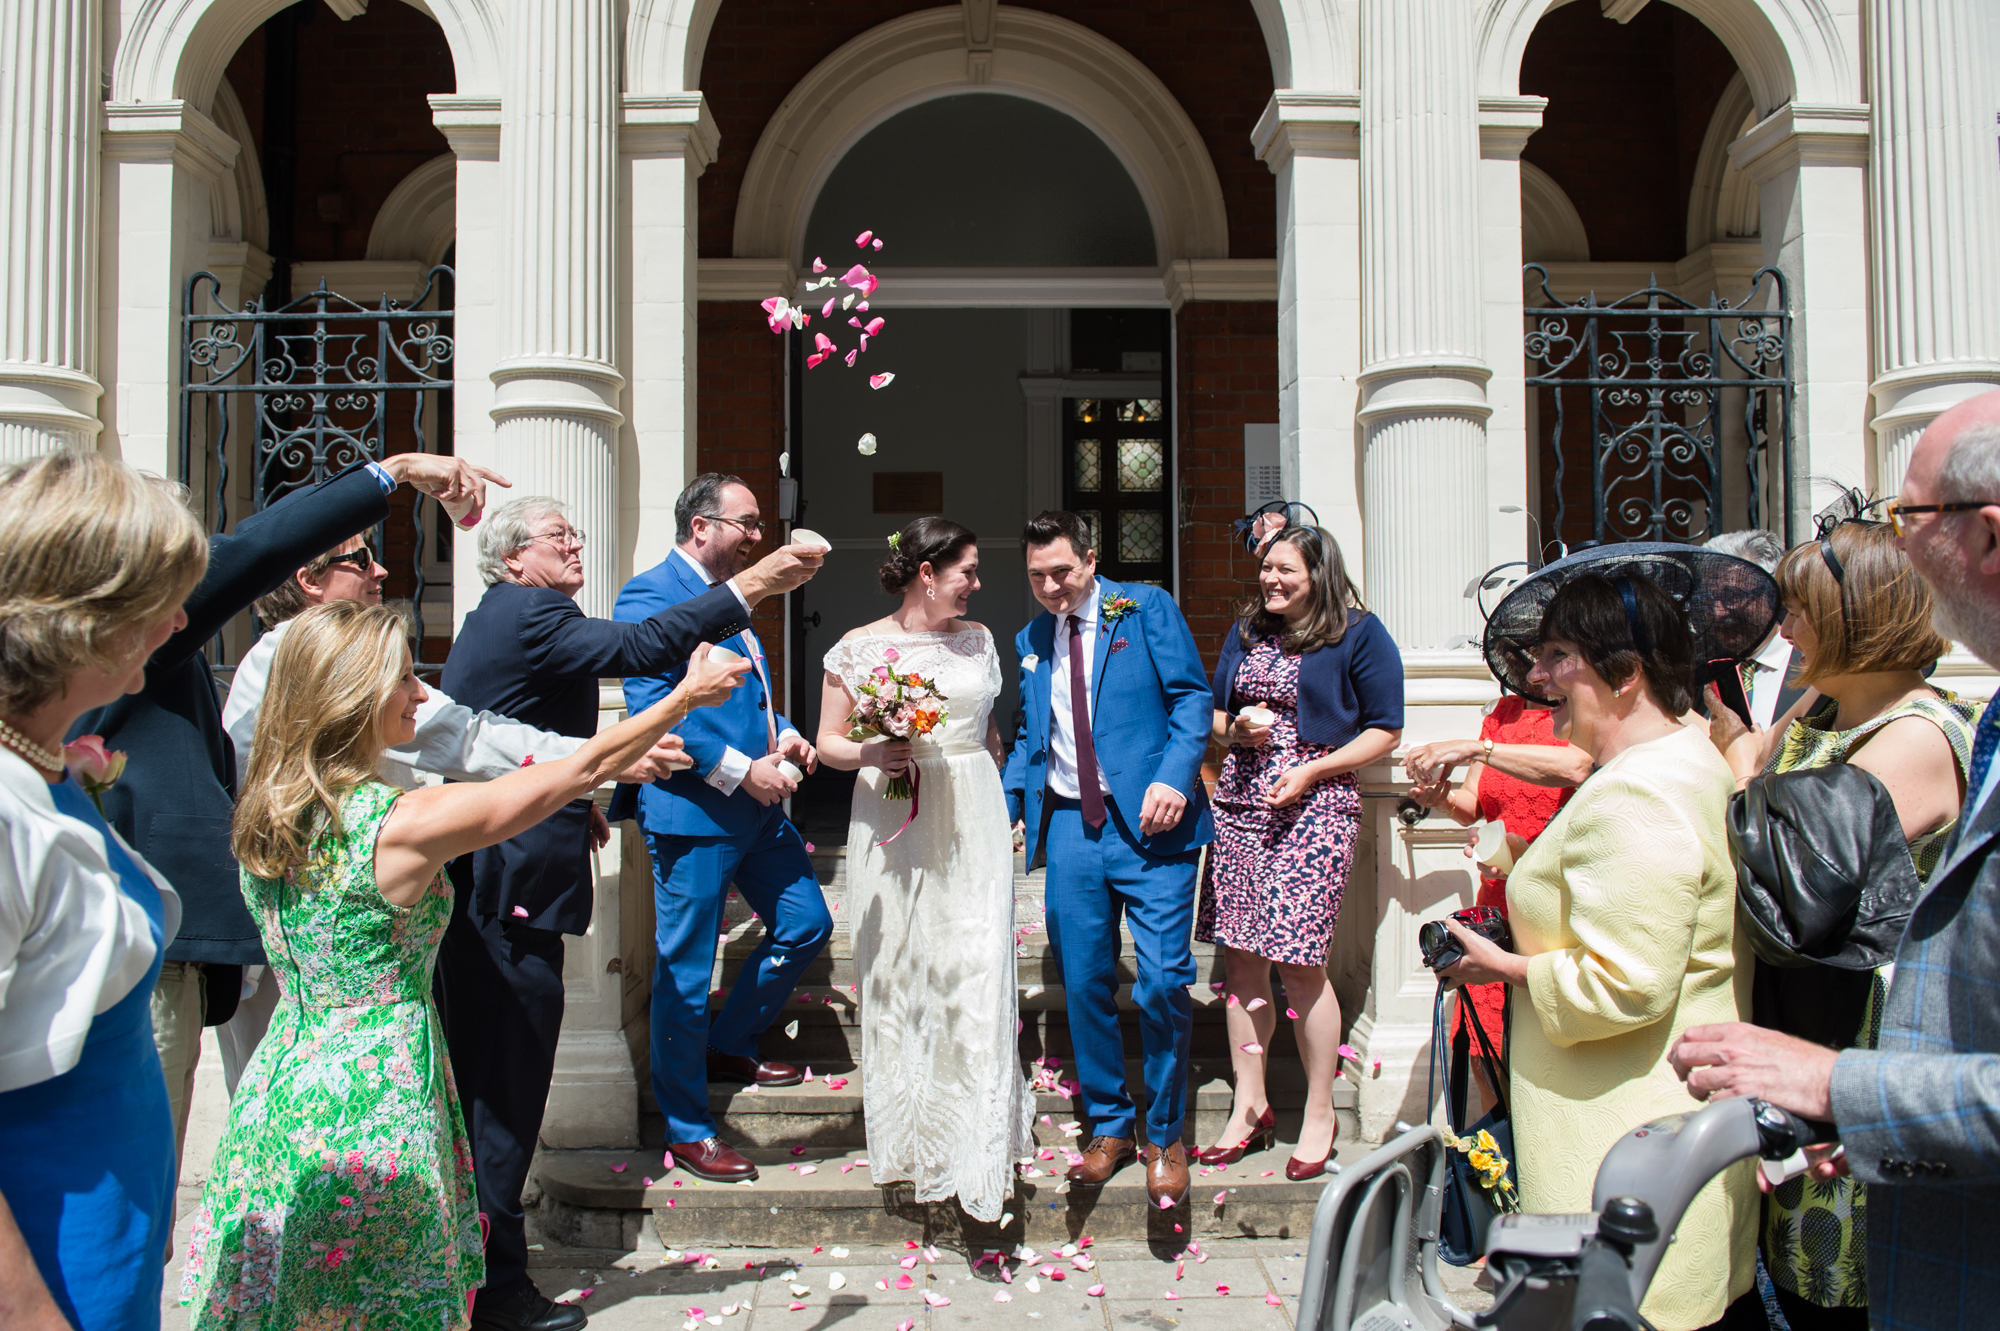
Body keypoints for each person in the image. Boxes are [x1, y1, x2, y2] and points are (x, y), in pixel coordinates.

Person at [180, 601, 745, 1328]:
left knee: (290, 1292)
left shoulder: (270, 809)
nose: (422, 694)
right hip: (374, 1092)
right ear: (350, 698)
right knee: (383, 1295)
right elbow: (581, 765)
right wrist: (684, 698)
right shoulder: (399, 825)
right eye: (404, 680)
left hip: (281, 1081)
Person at [68, 449, 507, 1176]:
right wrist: (390, 474)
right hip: (143, 953)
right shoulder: (101, 636)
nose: (181, 601)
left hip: (182, 947)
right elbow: (255, 551)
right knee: (129, 1190)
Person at [439, 493, 818, 1331]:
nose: (577, 545)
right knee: (503, 1095)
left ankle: (469, 1271)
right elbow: (640, 647)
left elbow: (506, 727)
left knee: (496, 1090)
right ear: (512, 559)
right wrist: (757, 579)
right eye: (558, 537)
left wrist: (588, 795)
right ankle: (494, 1292)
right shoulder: (532, 612)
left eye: (578, 531)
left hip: (505, 873)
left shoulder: (509, 616)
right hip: (508, 891)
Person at [1671, 391, 2000, 1329]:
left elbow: (1784, 870)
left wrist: (1739, 761)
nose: (1782, 634)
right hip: (1807, 1046)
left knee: (1848, 1287)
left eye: (1797, 612)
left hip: (1873, 1051)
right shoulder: (1816, 711)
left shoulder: (1920, 734)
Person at [1440, 570, 1757, 1331]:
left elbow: (1624, 985)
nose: (1540, 676)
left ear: (1627, 671)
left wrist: (1500, 966)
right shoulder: (1686, 762)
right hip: (1657, 1145)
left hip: (1626, 1162)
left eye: (1558, 655)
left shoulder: (1638, 792)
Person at [0, 452, 208, 1331]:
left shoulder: (43, 768)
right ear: (86, 619)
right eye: (163, 600)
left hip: (108, 1254)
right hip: (51, 1270)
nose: (181, 621)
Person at [610, 474, 831, 1188]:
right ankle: (688, 1127)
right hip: (694, 811)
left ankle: (729, 1041)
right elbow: (654, 707)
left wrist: (788, 734)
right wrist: (745, 771)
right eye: (747, 523)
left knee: (807, 921)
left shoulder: (733, 597)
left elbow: (748, 696)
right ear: (701, 526)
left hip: (758, 809)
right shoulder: (650, 595)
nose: (758, 536)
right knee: (682, 969)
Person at [812, 518, 1034, 1221]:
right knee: (904, 962)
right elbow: (827, 742)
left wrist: (1005, 797)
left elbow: (991, 731)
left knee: (977, 959)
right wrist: (876, 751)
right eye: (966, 570)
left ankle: (979, 1143)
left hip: (972, 807)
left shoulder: (980, 640)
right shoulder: (858, 647)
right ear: (927, 572)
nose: (977, 583)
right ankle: (914, 1137)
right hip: (894, 809)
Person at [1002, 510, 1215, 1207]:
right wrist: (1008, 804)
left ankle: (1165, 1133)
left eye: (1062, 571)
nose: (1052, 586)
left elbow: (1190, 698)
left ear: (1091, 560)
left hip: (1153, 824)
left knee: (1161, 982)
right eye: (1037, 575)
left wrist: (1174, 776)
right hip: (1069, 826)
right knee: (1085, 978)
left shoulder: (1144, 607)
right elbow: (1033, 729)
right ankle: (1109, 1125)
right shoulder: (1031, 637)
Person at [1194, 526, 1402, 1178]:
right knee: (1242, 961)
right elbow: (1215, 715)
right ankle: (1249, 1104)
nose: (1271, 580)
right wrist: (1237, 728)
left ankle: (1319, 1109)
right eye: (1266, 569)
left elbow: (1386, 729)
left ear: (1319, 570)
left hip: (1314, 808)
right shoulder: (1248, 630)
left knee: (1301, 965)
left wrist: (1312, 770)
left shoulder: (1359, 633)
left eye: (1285, 569)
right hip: (1241, 805)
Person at [1405, 693, 1575, 1113]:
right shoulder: (1504, 713)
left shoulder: (1585, 709)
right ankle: (1496, 1166)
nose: (1536, 669)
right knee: (1488, 1057)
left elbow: (1578, 767)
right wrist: (1440, 799)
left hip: (1557, 903)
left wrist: (1478, 748)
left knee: (1544, 1059)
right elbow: (1472, 805)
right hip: (1498, 906)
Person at [1704, 529, 1805, 730]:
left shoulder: (1812, 667)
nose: (1718, 612)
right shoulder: (1703, 670)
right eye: (1707, 599)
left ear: (1772, 594)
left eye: (1733, 597)